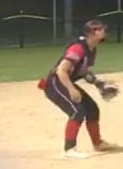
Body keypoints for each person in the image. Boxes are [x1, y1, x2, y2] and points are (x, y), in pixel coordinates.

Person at [36, 19, 117, 159]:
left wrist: (97, 83)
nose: (104, 31)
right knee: (76, 111)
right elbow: (61, 70)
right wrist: (71, 89)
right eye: (100, 29)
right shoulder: (77, 48)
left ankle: (98, 144)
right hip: (56, 83)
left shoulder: (92, 49)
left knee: (92, 109)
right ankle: (69, 150)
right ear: (91, 33)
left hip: (64, 82)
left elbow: (82, 71)